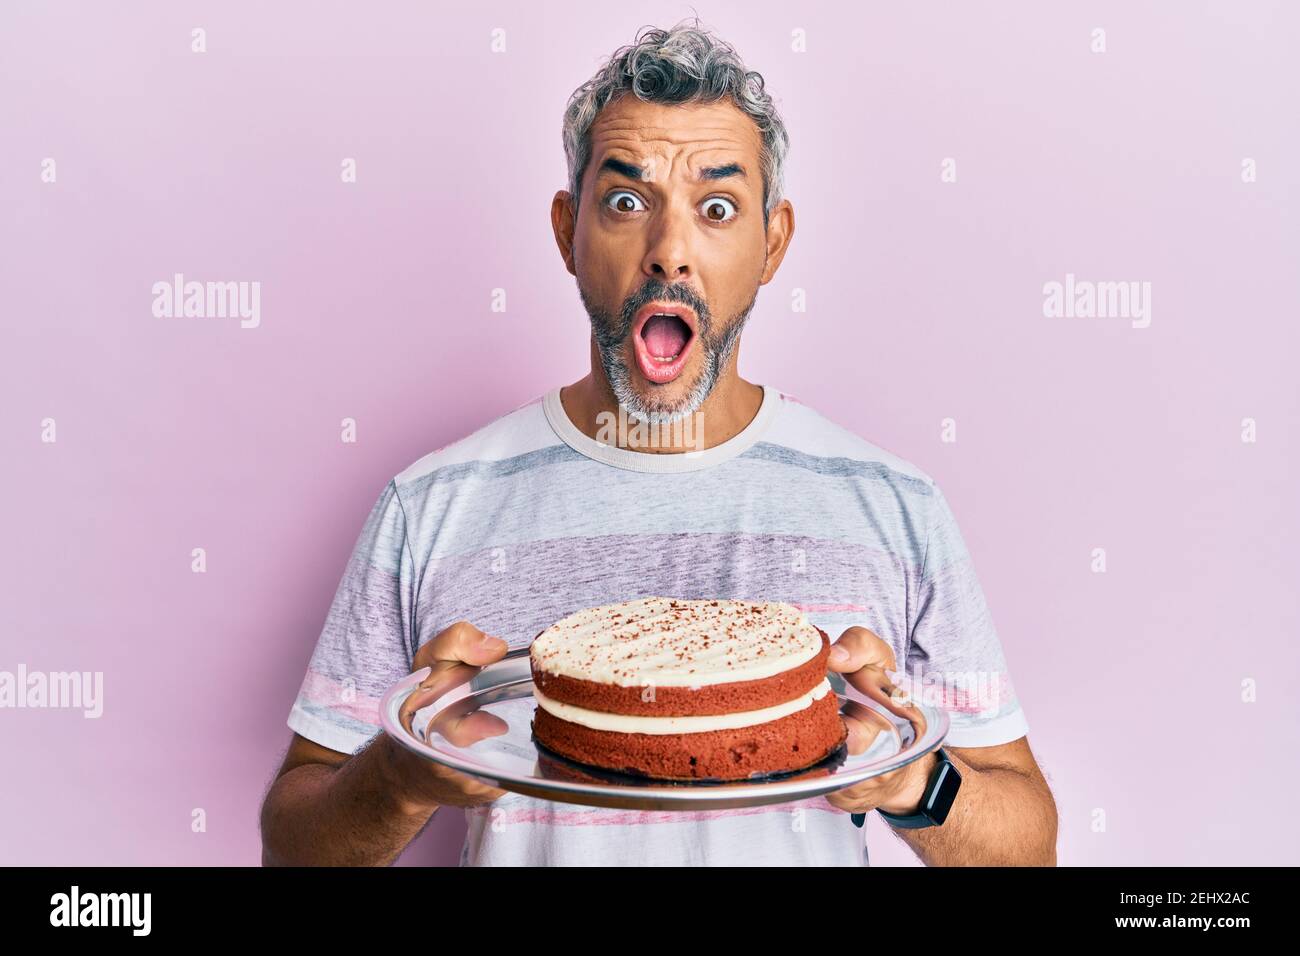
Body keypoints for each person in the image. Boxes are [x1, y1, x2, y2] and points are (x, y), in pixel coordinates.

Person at [259, 19, 1057, 866]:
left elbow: (1028, 846)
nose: (669, 253)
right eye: (627, 202)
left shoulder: (894, 507)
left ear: (773, 242)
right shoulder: (431, 506)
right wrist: (404, 773)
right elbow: (293, 847)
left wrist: (909, 780)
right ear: (568, 231)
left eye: (717, 208)